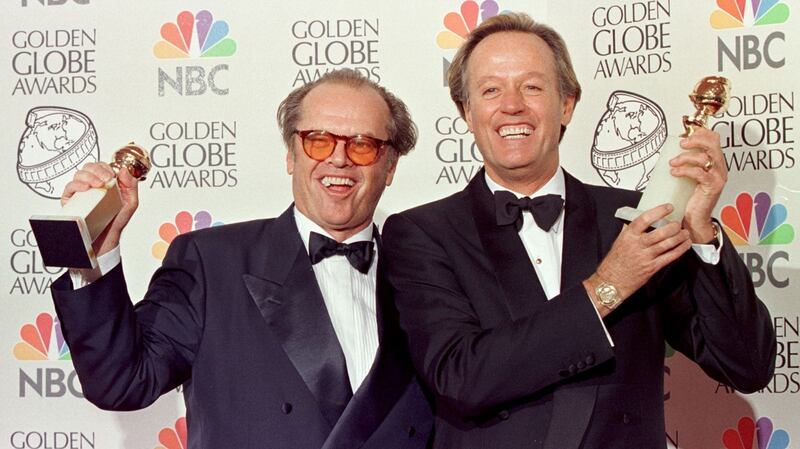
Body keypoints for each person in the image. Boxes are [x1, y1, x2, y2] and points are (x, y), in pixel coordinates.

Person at [381, 13, 775, 449]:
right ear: (467, 112)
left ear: (566, 103)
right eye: (491, 90)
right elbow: (461, 377)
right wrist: (608, 286)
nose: (512, 105)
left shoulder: (635, 217)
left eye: (532, 87)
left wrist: (701, 230)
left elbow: (747, 366)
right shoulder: (421, 233)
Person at [50, 69, 432, 449]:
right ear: (291, 156)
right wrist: (96, 253)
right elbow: (122, 382)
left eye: (362, 145)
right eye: (318, 141)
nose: (339, 159)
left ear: (391, 166)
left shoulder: (427, 272)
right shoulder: (210, 261)